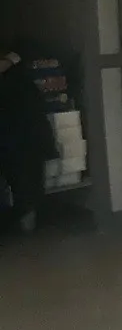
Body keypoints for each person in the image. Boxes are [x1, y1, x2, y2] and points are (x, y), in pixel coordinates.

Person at [0, 49, 56, 233]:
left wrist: (10, 60)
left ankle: (27, 217)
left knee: (25, 172)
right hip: (20, 129)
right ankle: (26, 217)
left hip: (22, 128)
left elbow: (25, 48)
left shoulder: (16, 76)